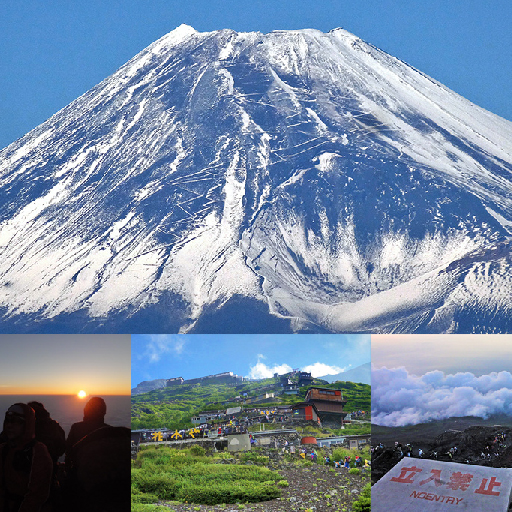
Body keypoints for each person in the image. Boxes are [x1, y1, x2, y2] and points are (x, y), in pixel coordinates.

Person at [0, 403, 53, 512]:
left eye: (17, 421)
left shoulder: (37, 452)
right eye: (8, 420)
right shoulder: (3, 448)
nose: (9, 425)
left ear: (27, 424)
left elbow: (37, 494)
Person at [65, 397, 108, 470]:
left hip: (80, 474)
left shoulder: (76, 428)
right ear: (104, 412)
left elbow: (68, 452)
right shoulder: (109, 431)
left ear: (86, 411)